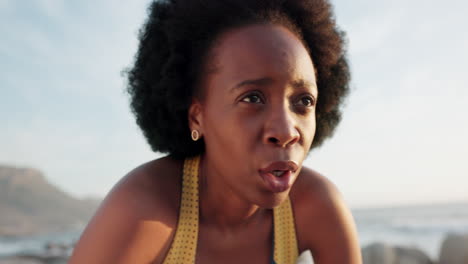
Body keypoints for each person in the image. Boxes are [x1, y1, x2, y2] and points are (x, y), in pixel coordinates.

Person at [69, 0, 362, 263]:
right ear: (197, 117)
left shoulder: (316, 205)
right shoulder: (144, 209)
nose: (286, 131)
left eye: (303, 101)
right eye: (252, 98)